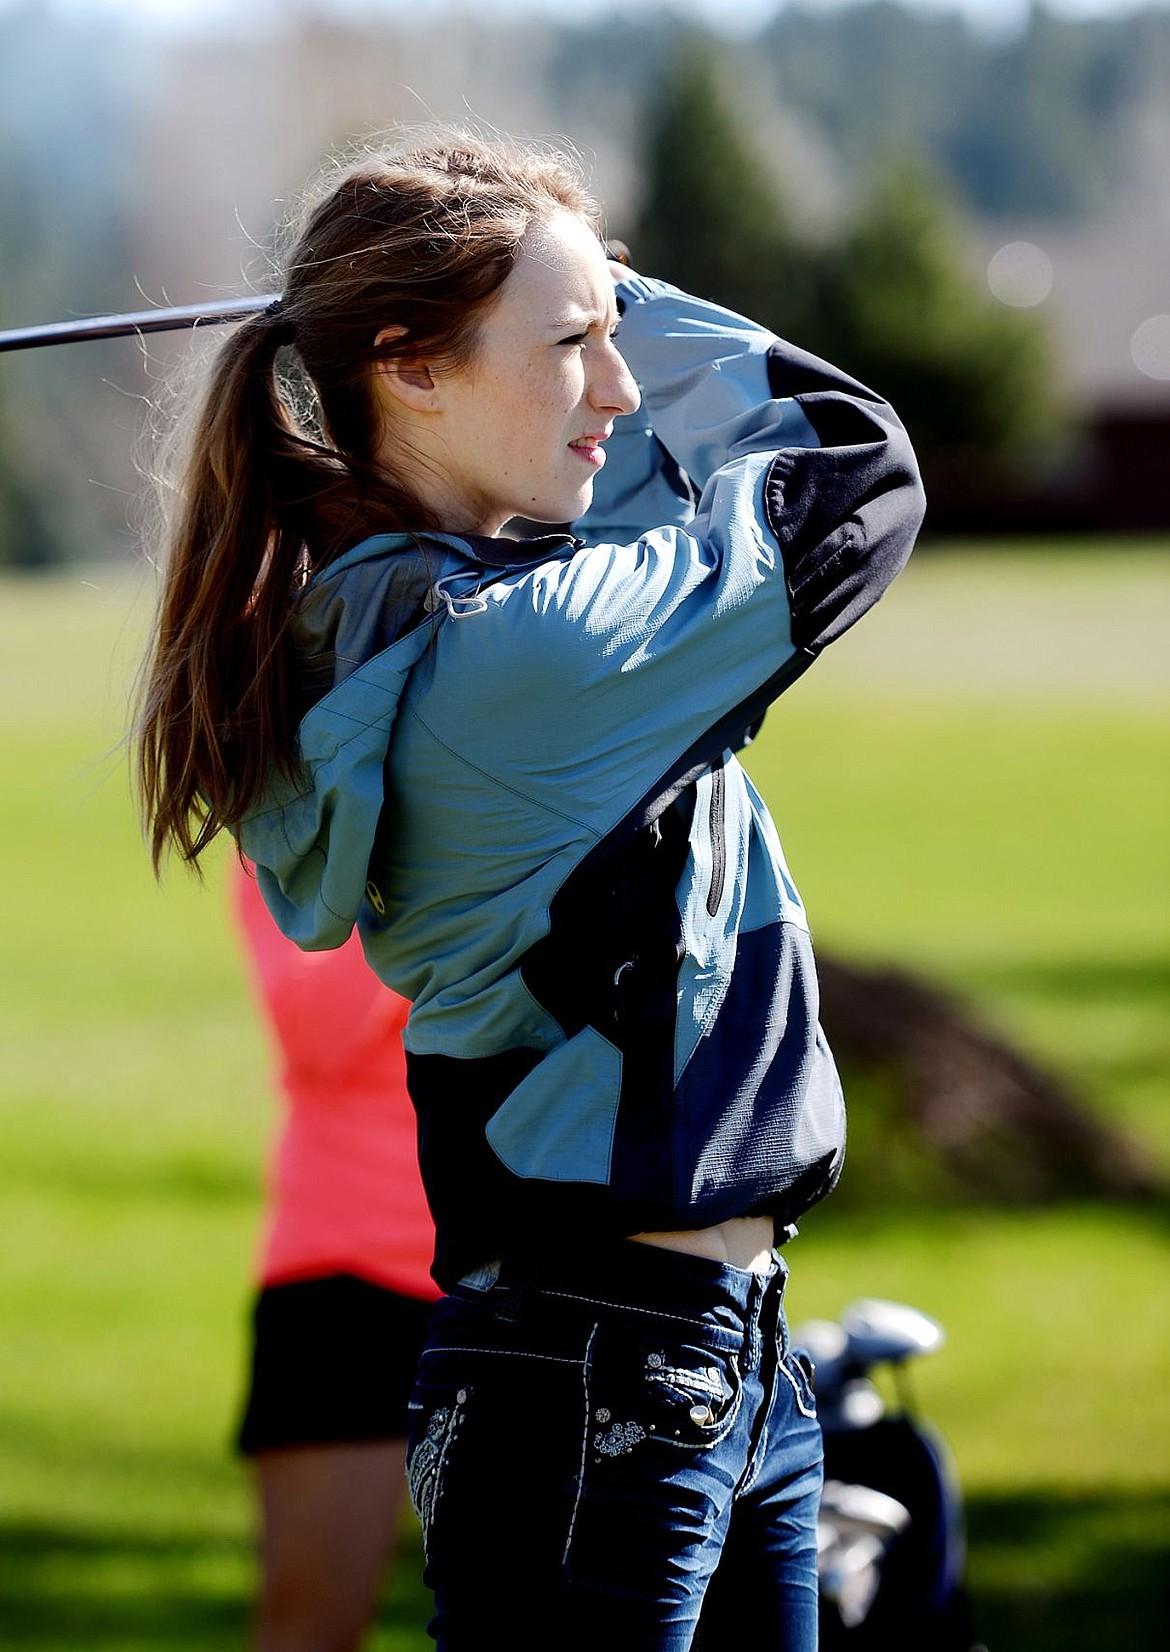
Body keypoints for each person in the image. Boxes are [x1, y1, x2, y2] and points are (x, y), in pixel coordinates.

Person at [136, 129, 924, 1651]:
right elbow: (848, 470)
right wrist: (623, 278)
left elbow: (619, 465)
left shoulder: (442, 607)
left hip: (688, 1352)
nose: (621, 387)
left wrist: (565, 289)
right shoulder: (533, 661)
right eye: (576, 346)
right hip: (603, 1372)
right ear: (411, 368)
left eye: (615, 342)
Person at [229, 861, 438, 1652]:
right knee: (309, 1630)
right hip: (350, 1274)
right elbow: (315, 1032)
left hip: (528, 1271)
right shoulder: (293, 821)